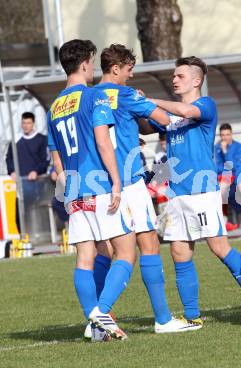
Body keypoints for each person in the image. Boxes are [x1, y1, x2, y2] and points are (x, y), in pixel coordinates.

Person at [143, 56, 241, 328]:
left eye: (179, 75)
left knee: (219, 248)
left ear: (196, 80)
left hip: (202, 192)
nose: (174, 79)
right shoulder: (171, 114)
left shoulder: (205, 104)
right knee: (179, 253)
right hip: (176, 194)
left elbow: (187, 112)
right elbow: (147, 126)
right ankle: (192, 316)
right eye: (174, 75)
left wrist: (153, 101)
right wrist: (136, 106)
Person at [93, 44, 196, 334]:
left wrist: (132, 133)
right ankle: (159, 319)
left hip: (99, 184)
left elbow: (109, 132)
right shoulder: (125, 94)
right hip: (128, 180)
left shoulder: (90, 97)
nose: (131, 74)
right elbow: (163, 120)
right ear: (116, 69)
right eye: (128, 69)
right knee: (147, 244)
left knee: (107, 251)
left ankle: (99, 317)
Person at [47, 39, 137, 341]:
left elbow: (55, 155)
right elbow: (103, 142)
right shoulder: (95, 97)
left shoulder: (55, 106)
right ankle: (101, 313)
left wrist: (64, 182)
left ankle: (94, 326)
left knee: (85, 257)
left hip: (73, 190)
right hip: (97, 184)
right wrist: (115, 181)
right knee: (126, 251)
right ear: (86, 62)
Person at [214, 123, 241, 230]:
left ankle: (226, 220)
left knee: (221, 192)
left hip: (233, 176)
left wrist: (225, 152)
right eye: (222, 135)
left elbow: (233, 166)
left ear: (231, 134)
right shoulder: (217, 147)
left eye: (227, 134)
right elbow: (217, 166)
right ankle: (223, 222)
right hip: (220, 177)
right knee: (215, 193)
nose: (225, 137)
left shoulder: (239, 147)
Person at [6, 112, 49, 182]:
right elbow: (9, 158)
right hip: (18, 181)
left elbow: (46, 160)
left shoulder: (42, 139)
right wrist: (12, 171)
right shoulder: (16, 139)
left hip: (37, 180)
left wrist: (36, 171)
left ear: (33, 123)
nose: (26, 126)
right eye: (24, 123)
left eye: (28, 123)